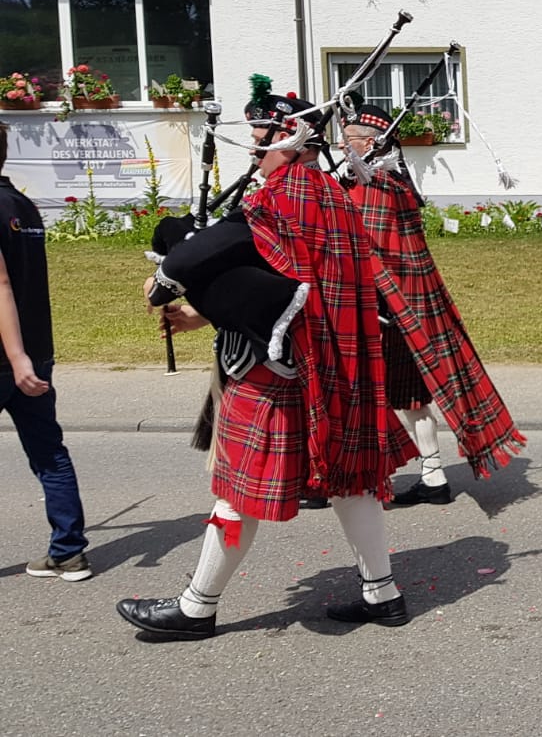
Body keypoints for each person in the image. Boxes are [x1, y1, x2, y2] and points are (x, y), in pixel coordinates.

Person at [117, 88, 417, 640]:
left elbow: (198, 256)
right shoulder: (332, 195)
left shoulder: (273, 202)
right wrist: (203, 314)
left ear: (289, 139)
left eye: (260, 143)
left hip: (271, 371)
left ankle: (196, 607)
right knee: (351, 480)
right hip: (330, 362)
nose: (253, 154)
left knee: (237, 489)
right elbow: (281, 283)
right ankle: (383, 595)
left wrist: (164, 281)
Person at [338, 104, 526, 506]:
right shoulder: (385, 184)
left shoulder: (378, 188)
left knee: (372, 395)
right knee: (410, 399)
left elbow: (371, 254)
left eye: (349, 140)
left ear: (369, 144)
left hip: (387, 312)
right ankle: (433, 477)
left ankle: (342, 478)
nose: (342, 145)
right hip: (400, 310)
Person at [0, 120, 92, 583]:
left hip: (11, 353)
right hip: (38, 348)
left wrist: (15, 358)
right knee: (49, 452)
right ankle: (69, 550)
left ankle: (68, 549)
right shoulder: (24, 206)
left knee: (49, 453)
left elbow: (1, 285)